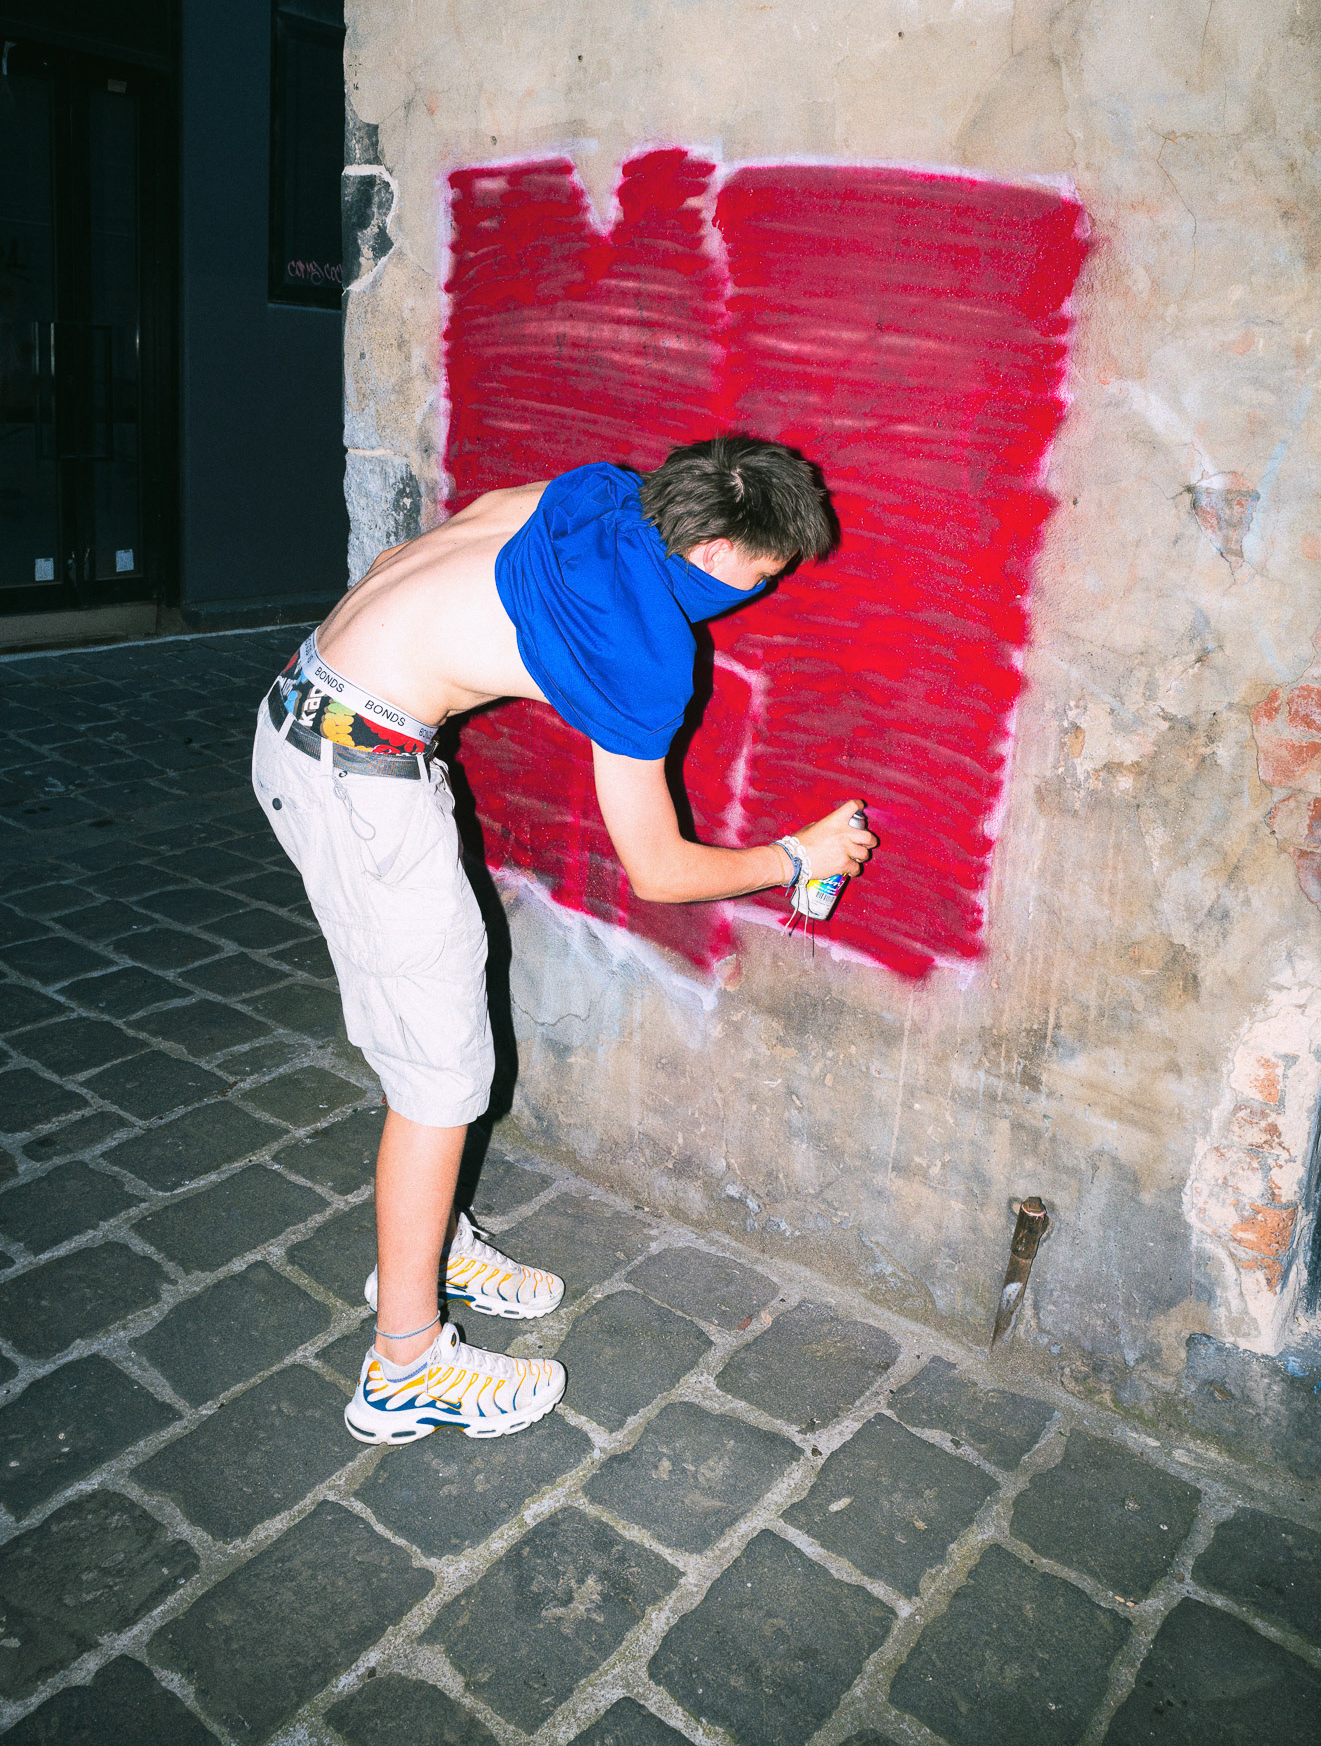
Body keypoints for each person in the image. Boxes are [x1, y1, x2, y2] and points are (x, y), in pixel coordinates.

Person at [251, 434, 876, 1444]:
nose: (763, 591)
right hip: (354, 777)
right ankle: (402, 1364)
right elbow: (661, 868)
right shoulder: (643, 648)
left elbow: (420, 549)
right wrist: (794, 856)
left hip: (321, 714)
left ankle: (433, 1239)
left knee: (437, 1028)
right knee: (441, 1078)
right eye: (764, 575)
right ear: (716, 554)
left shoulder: (604, 493)